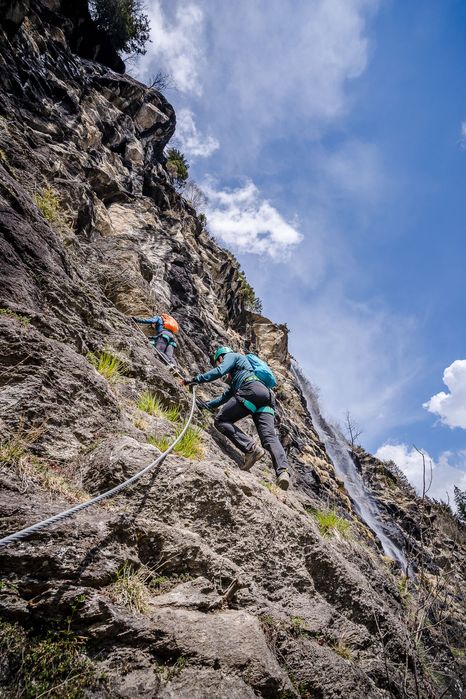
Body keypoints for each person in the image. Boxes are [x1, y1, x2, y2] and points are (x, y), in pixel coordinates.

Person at [184, 346, 290, 490]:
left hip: (251, 389)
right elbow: (222, 398)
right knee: (269, 437)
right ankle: (283, 472)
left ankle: (251, 449)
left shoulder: (232, 356)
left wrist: (195, 379)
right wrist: (205, 405)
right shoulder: (238, 379)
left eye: (218, 362)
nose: (220, 365)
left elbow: (219, 371)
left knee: (221, 420)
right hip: (267, 397)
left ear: (221, 357)